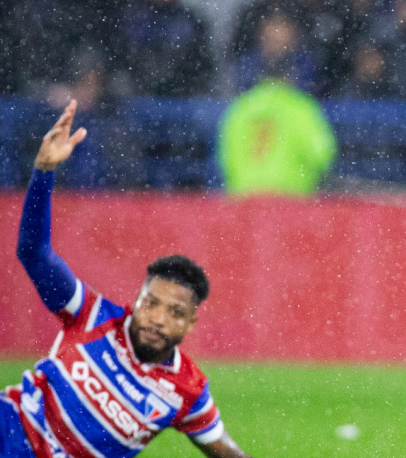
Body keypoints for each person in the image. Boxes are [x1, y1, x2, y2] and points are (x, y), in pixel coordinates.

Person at [2, 100, 253, 458]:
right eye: (151, 303)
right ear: (137, 300)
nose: (158, 318)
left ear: (190, 324)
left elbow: (225, 449)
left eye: (175, 312)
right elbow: (34, 254)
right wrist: (44, 170)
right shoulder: (91, 315)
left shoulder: (187, 391)